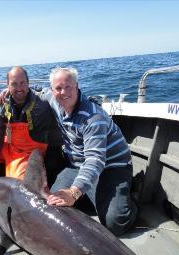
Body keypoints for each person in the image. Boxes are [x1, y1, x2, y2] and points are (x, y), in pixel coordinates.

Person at [43, 67, 137, 236]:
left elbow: (95, 160)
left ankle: (132, 195)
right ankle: (92, 193)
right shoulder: (53, 100)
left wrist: (73, 193)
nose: (63, 92)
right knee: (54, 204)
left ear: (77, 86)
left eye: (68, 87)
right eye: (58, 88)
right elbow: (38, 92)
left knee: (115, 222)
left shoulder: (93, 118)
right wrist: (11, 91)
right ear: (52, 90)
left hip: (111, 166)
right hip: (77, 165)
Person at [0, 66, 62, 182]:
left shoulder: (41, 100)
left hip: (29, 153)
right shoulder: (1, 103)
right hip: (9, 146)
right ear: (7, 85)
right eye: (14, 84)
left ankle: (12, 175)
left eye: (22, 83)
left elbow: (54, 95)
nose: (19, 88)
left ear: (28, 83)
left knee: (21, 184)